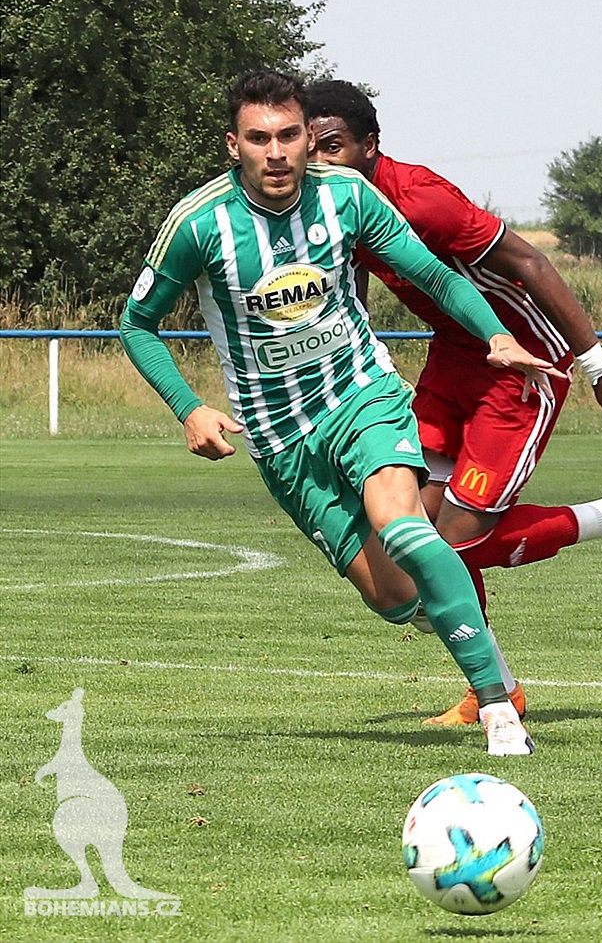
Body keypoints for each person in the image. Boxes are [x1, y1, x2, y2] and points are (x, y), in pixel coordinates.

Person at [120, 69, 570, 755]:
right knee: (393, 599)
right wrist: (189, 407)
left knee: (403, 523)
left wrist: (497, 335)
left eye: (290, 135)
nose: (276, 152)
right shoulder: (197, 223)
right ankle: (479, 645)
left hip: (362, 395)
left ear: (307, 137)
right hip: (279, 435)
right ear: (232, 145)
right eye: (259, 138)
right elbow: (138, 323)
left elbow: (435, 274)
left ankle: (498, 710)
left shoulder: (348, 196)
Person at [306, 79, 602, 726]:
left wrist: (598, 366)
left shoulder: (423, 202)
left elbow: (530, 263)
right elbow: (351, 285)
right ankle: (495, 688)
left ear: (371, 145)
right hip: (453, 358)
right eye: (311, 149)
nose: (320, 163)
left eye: (333, 147)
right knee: (409, 537)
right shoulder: (334, 204)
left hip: (520, 364)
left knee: (453, 545)